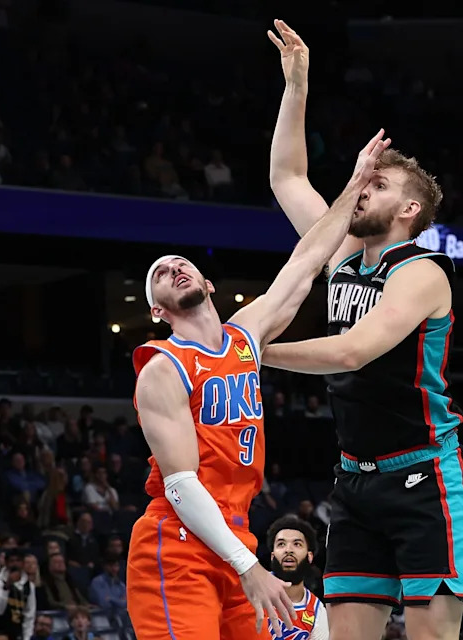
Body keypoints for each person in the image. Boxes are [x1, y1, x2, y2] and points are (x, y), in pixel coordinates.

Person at [126, 130, 391, 640]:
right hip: (178, 542)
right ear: (157, 310)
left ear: (207, 284)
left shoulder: (245, 336)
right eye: (160, 273)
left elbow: (307, 260)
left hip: (237, 536)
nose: (174, 267)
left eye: (182, 263)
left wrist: (355, 183)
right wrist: (249, 567)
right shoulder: (163, 366)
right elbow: (181, 485)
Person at [265, 20, 463, 640]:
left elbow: (354, 351)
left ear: (409, 210)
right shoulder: (342, 255)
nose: (361, 190)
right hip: (354, 478)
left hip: (423, 476)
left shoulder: (424, 272)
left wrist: (248, 351)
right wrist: (296, 86)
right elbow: (287, 179)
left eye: (377, 185)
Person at [266, 515, 329, 640]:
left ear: (309, 556)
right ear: (272, 556)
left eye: (297, 544)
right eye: (281, 544)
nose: (288, 550)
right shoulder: (252, 591)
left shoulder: (317, 611)